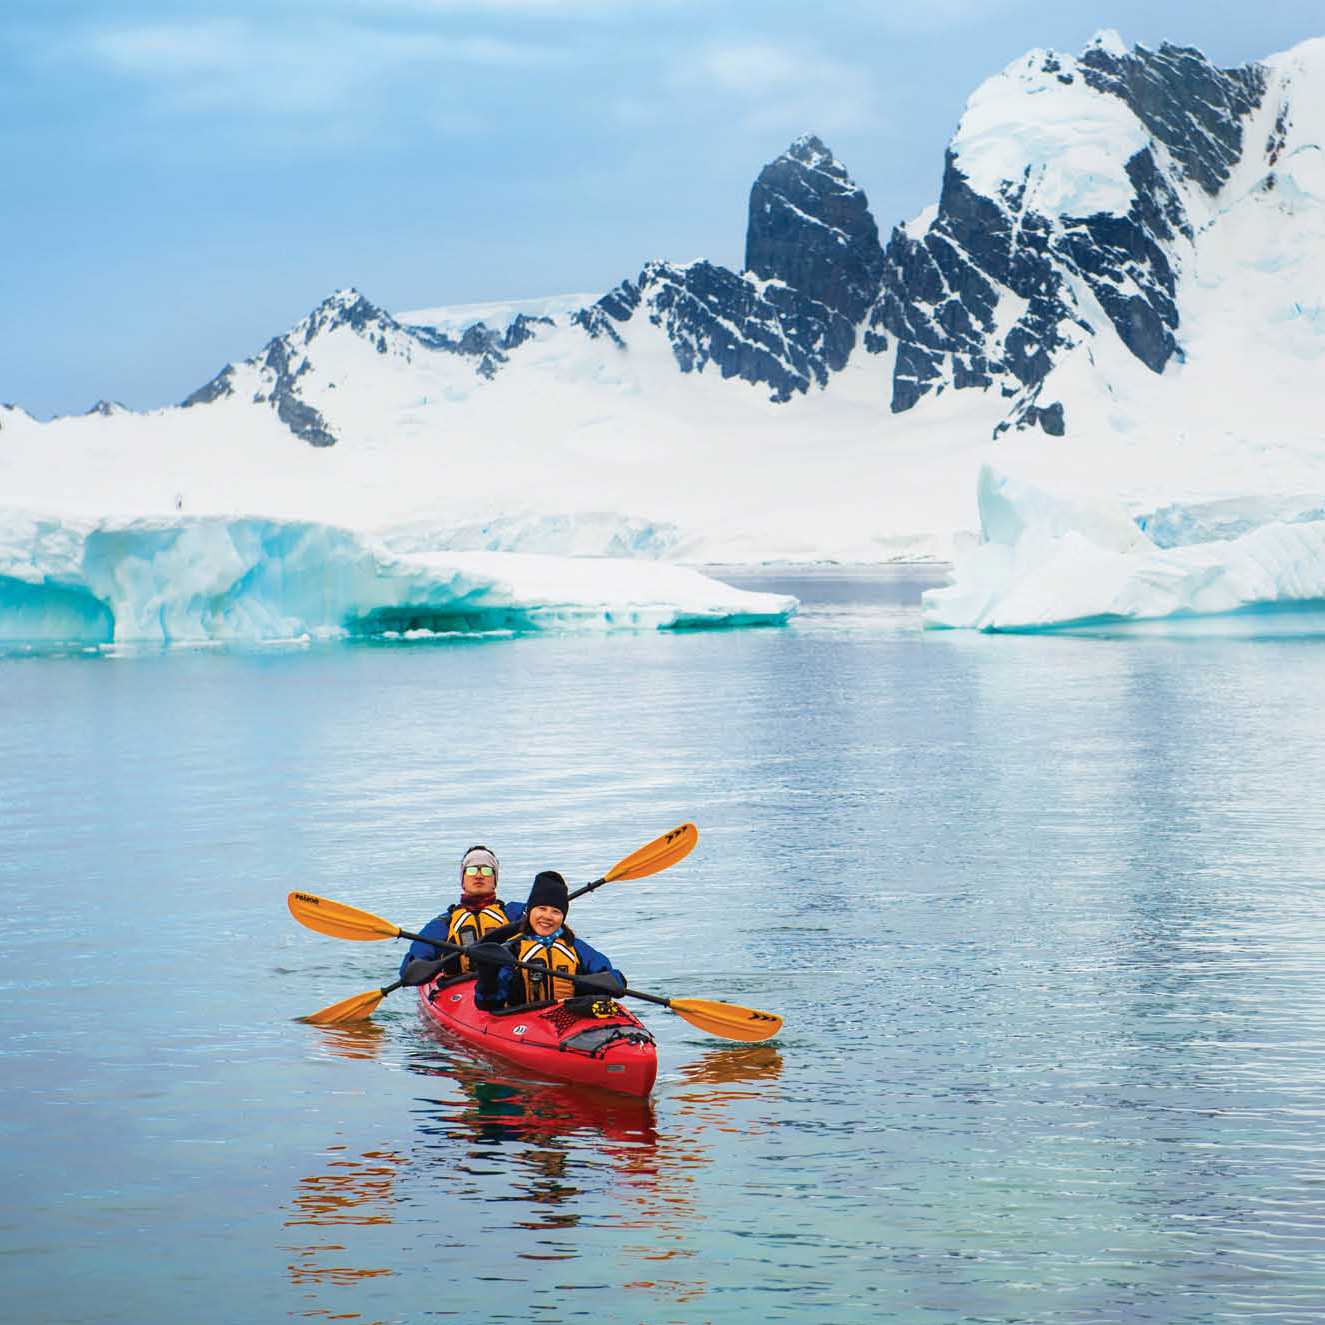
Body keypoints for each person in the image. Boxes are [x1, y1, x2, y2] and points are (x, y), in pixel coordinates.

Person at [474, 870, 625, 1010]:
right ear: (530, 911)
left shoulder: (576, 947)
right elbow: (489, 1002)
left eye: (556, 911)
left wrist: (596, 983)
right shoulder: (513, 950)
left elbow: (616, 978)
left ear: (563, 917)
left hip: (570, 1019)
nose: (547, 916)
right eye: (541, 908)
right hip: (525, 1023)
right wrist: (488, 976)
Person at [399, 845, 526, 977]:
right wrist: (418, 965)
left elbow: (542, 912)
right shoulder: (443, 924)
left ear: (495, 880)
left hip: (504, 985)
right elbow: (409, 968)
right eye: (471, 870)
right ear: (463, 881)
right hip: (458, 987)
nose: (478, 875)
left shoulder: (514, 913)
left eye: (486, 870)